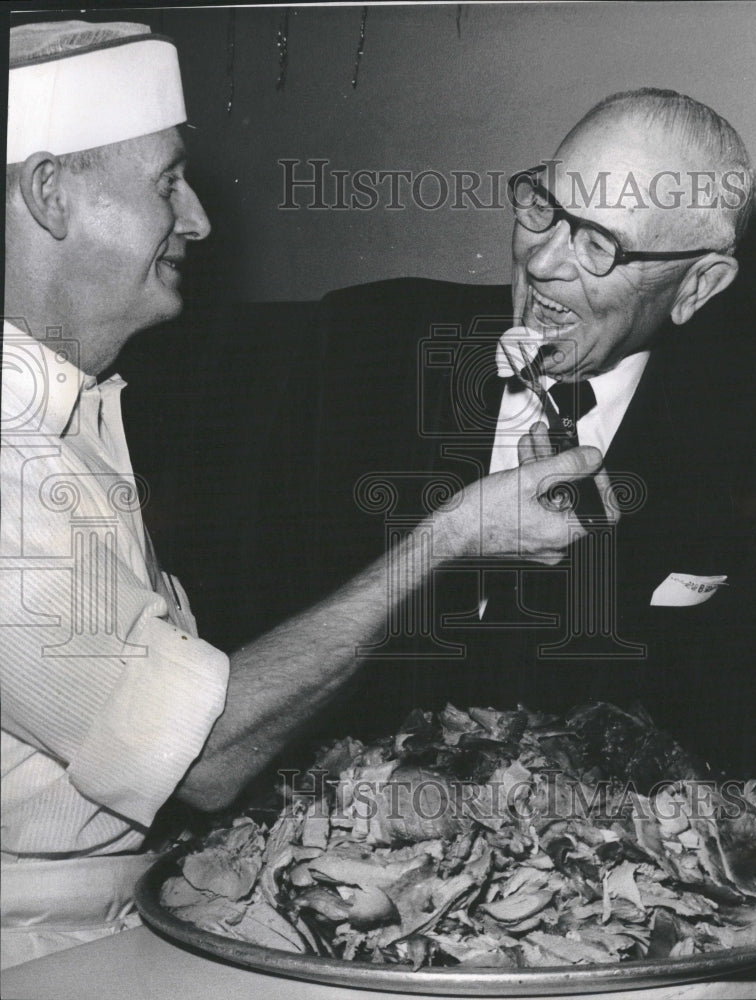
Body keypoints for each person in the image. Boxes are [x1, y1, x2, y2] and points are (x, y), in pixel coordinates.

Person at [0, 20, 606, 967]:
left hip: (130, 897)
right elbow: (198, 761)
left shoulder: (80, 401)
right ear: (49, 194)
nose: (198, 219)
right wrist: (447, 536)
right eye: (167, 182)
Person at [307, 89, 756, 772]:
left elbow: (730, 729)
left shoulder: (752, 444)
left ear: (697, 286)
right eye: (544, 209)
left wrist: (594, 572)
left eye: (597, 243)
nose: (541, 261)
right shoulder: (361, 347)